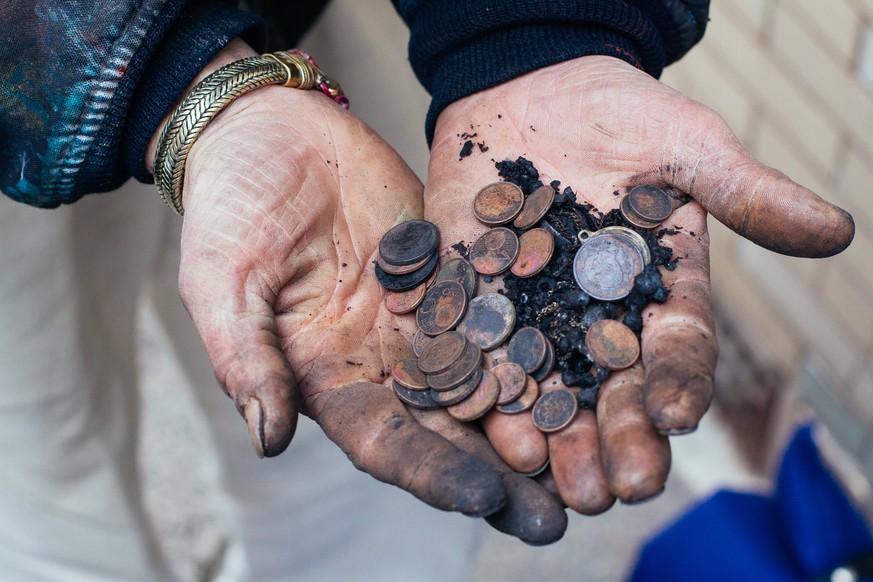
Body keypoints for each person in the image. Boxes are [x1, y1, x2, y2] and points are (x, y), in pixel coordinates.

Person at [0, 1, 854, 579]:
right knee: (49, 457)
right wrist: (161, 79)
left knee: (348, 431)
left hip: (294, 16)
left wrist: (530, 26)